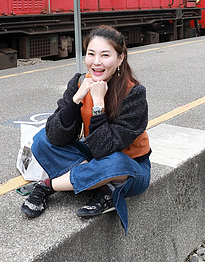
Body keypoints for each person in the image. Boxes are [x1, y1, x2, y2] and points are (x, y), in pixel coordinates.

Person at [21, 25, 151, 234]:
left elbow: (105, 150)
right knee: (41, 140)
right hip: (94, 158)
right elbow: (56, 136)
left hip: (130, 167)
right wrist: (76, 100)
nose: (96, 62)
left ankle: (47, 186)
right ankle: (98, 183)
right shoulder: (80, 82)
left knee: (115, 164)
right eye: (91, 54)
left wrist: (98, 104)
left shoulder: (134, 93)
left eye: (105, 55)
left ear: (120, 59)